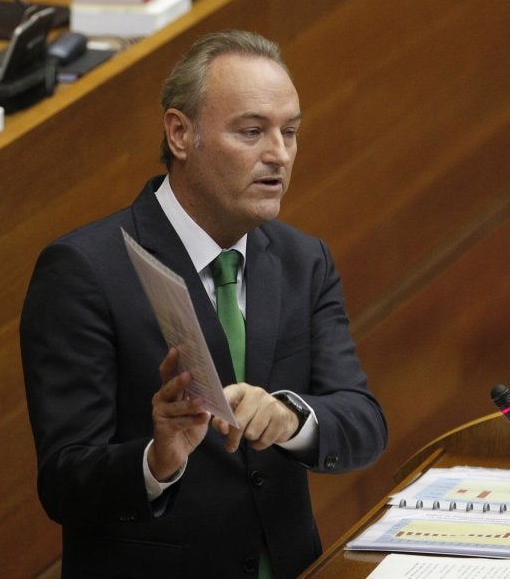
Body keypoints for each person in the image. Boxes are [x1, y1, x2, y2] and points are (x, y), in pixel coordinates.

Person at [20, 30, 387, 579]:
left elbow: (362, 422)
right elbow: (65, 481)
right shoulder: (84, 270)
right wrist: (156, 460)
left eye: (290, 133)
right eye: (252, 132)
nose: (279, 155)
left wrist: (291, 417)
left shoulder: (302, 259)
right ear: (180, 132)